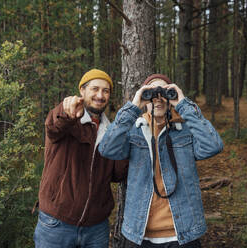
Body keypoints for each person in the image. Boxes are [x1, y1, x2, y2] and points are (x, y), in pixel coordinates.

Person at [99, 74, 223, 247]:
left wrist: (183, 104)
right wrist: (134, 106)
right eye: (151, 93)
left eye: (164, 92)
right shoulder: (133, 131)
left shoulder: (185, 131)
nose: (158, 99)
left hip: (183, 233)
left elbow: (213, 145)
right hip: (139, 234)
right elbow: (106, 148)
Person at [33, 69, 128, 248]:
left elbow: (118, 175)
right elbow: (53, 126)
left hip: (96, 228)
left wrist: (125, 141)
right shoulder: (69, 120)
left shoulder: (110, 130)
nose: (100, 95)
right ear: (82, 91)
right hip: (56, 224)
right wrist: (65, 111)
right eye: (95, 89)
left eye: (105, 91)